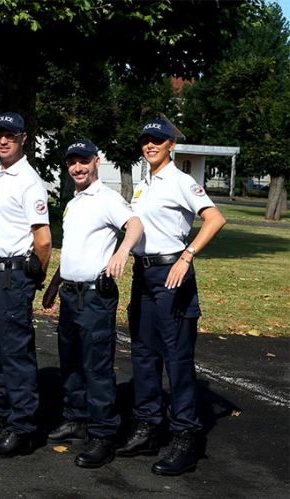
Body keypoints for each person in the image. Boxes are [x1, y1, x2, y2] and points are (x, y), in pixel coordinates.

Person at [116, 119, 225, 476]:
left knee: (177, 358)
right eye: (146, 140)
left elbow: (214, 219)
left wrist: (187, 255)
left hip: (171, 275)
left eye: (157, 141)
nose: (150, 146)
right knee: (144, 353)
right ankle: (148, 425)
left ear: (170, 146)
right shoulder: (144, 185)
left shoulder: (180, 181)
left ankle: (185, 436)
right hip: (143, 274)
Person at [42, 139, 144, 468]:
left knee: (97, 367)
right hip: (71, 294)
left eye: (83, 161)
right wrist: (55, 285)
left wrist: (121, 252)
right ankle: (76, 418)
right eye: (72, 162)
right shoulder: (74, 201)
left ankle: (102, 434)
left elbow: (135, 225)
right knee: (70, 362)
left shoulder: (107, 199)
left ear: (96, 161)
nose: (77, 167)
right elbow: (74, 249)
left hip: (95, 297)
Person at [0, 112, 51, 458]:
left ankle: (22, 427)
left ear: (23, 138)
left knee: (16, 353)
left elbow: (44, 240)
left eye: (10, 135)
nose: (2, 141)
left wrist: (33, 278)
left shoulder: (29, 181)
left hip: (14, 273)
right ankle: (1, 407)